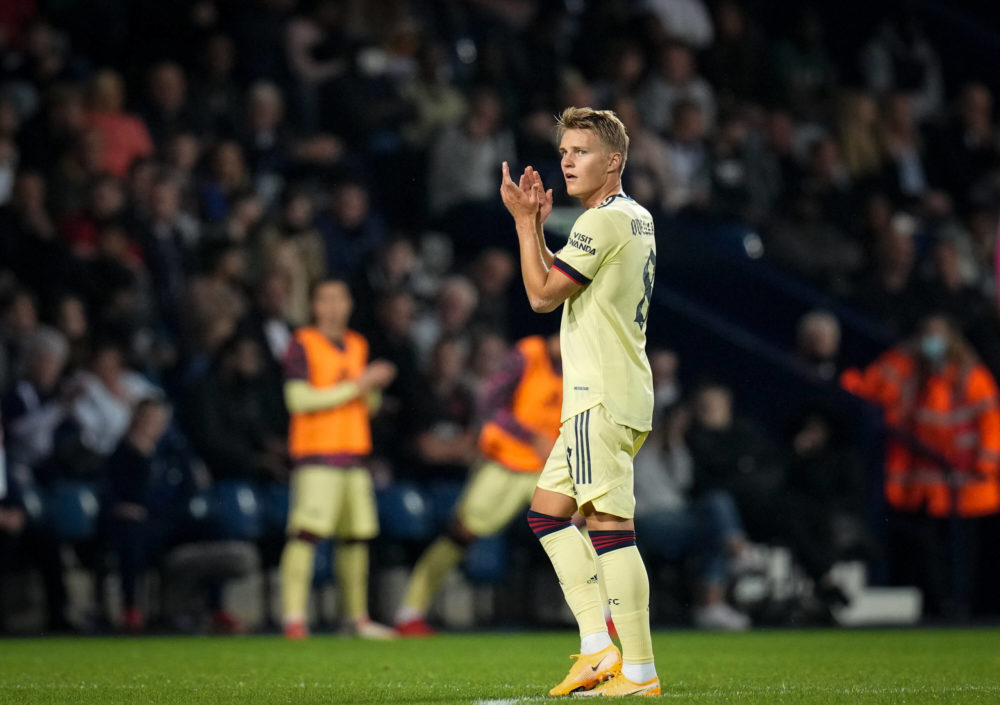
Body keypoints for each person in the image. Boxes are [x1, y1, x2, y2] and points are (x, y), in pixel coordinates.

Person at [499, 107, 659, 697]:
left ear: (613, 161)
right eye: (564, 150)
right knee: (547, 514)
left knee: (610, 526)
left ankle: (638, 671)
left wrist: (522, 223)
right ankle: (597, 648)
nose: (567, 161)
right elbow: (563, 283)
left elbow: (541, 296)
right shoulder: (633, 217)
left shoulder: (602, 224)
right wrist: (540, 227)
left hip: (601, 397)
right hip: (613, 391)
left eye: (581, 152)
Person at [394, 332, 563, 635]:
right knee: (461, 533)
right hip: (507, 462)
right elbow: (490, 402)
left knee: (583, 527)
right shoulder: (528, 354)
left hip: (549, 467)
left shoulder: (585, 362)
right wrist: (529, 436)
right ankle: (410, 613)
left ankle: (605, 617)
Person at [841, 314, 1000, 617]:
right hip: (929, 485)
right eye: (927, 335)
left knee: (967, 556)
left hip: (970, 484)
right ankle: (941, 608)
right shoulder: (912, 372)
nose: (932, 343)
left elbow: (991, 424)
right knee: (931, 554)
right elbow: (875, 388)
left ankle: (969, 610)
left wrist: (986, 464)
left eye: (938, 335)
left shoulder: (970, 375)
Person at [278, 279, 397, 640]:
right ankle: (294, 620)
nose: (332, 306)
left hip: (354, 454)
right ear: (313, 305)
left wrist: (371, 389)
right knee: (306, 534)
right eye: (324, 299)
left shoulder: (357, 344)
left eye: (339, 299)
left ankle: (356, 619)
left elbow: (366, 405)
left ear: (349, 304)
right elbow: (298, 401)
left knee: (356, 538)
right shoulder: (302, 344)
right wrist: (360, 385)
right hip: (316, 455)